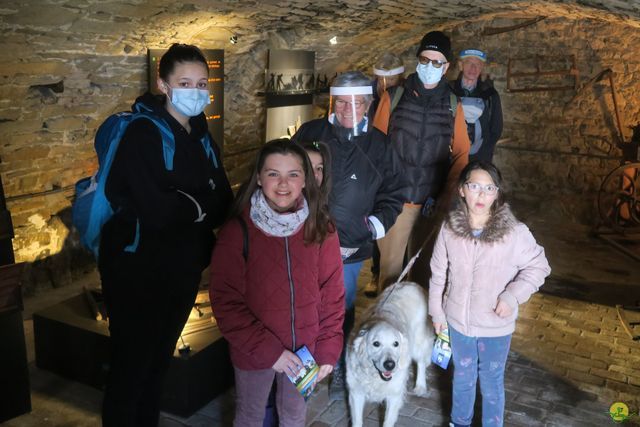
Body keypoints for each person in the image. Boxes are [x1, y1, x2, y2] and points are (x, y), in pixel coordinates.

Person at [99, 43, 233, 426]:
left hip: (182, 267)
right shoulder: (142, 134)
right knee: (131, 367)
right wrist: (197, 204)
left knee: (158, 362)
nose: (195, 90)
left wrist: (185, 201)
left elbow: (222, 200)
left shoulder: (202, 137)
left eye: (202, 82)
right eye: (185, 82)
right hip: (136, 270)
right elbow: (155, 212)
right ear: (163, 83)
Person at [209, 139, 345, 427]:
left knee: (294, 416)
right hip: (254, 347)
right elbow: (225, 300)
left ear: (306, 179)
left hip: (304, 348)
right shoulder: (237, 231)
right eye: (273, 173)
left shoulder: (321, 227)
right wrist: (271, 353)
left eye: (293, 174)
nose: (283, 184)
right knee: (249, 415)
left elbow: (332, 291)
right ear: (258, 177)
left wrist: (328, 347)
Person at [291, 71, 406, 398]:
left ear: (369, 104)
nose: (347, 109)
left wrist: (374, 225)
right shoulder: (312, 133)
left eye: (356, 102)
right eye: (341, 101)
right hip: (306, 238)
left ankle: (337, 364)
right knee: (302, 305)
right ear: (332, 102)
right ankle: (303, 370)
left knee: (340, 307)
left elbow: (393, 191)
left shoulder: (380, 145)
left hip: (349, 246)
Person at [428, 161, 551, 427]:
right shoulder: (449, 228)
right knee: (462, 376)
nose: (481, 195)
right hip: (457, 322)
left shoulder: (514, 233)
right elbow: (438, 271)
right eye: (474, 186)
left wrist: (511, 296)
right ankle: (459, 423)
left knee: (491, 382)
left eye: (489, 188)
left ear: (497, 193)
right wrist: (437, 312)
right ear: (462, 190)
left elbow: (539, 266)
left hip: (495, 327)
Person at [373, 31, 470, 291]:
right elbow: (375, 145)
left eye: (437, 62)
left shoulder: (452, 104)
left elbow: (461, 152)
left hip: (431, 204)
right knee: (390, 278)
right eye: (426, 59)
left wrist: (448, 194)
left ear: (446, 67)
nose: (430, 67)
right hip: (395, 202)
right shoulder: (393, 97)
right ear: (418, 60)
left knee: (425, 278)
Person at [364, 52, 405, 298]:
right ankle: (375, 272)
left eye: (390, 81)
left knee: (390, 222)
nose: (385, 85)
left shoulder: (404, 97)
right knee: (374, 220)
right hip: (373, 165)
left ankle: (394, 276)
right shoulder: (370, 98)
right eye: (381, 80)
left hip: (394, 165)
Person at [451, 49, 503, 162]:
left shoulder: (490, 94)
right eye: (469, 62)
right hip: (450, 156)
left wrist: (484, 153)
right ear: (461, 65)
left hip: (480, 158)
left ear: (481, 68)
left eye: (478, 64)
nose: (473, 68)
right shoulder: (448, 90)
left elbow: (496, 129)